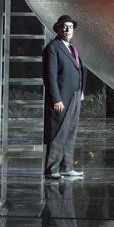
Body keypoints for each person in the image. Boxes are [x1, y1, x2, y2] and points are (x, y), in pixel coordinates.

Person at [43, 14, 84, 180]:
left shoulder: (72, 48)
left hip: (74, 95)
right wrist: (56, 98)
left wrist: (80, 91)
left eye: (71, 27)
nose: (68, 30)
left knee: (70, 132)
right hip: (61, 98)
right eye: (64, 27)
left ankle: (66, 167)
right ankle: (52, 170)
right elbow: (49, 76)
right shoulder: (52, 48)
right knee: (58, 133)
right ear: (58, 29)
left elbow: (78, 69)